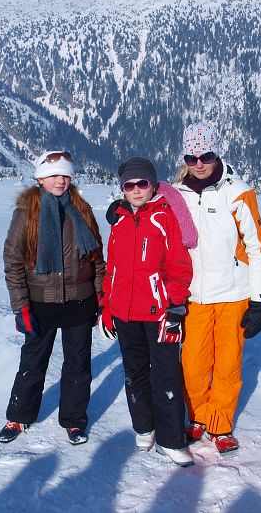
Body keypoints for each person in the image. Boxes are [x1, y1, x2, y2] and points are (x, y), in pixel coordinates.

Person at [0, 150, 105, 445]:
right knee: (32, 362)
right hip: (40, 302)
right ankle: (19, 416)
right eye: (53, 175)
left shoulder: (81, 210)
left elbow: (96, 257)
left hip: (80, 301)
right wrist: (21, 306)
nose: (60, 180)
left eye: (65, 175)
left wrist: (101, 295)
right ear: (40, 179)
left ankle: (74, 420)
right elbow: (13, 261)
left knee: (78, 365)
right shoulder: (26, 213)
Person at [175, 122, 261, 454]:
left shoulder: (238, 191)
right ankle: (197, 417)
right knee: (193, 364)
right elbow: (143, 201)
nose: (199, 164)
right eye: (191, 158)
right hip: (194, 296)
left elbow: (258, 247)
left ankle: (220, 424)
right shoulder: (178, 194)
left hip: (233, 294)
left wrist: (260, 301)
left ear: (216, 154)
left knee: (228, 364)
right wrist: (122, 209)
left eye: (206, 156)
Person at [98, 157, 195, 466]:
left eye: (142, 183)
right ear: (123, 189)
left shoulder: (164, 217)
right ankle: (144, 427)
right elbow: (112, 268)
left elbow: (179, 266)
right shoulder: (119, 221)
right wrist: (107, 307)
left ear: (153, 185)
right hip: (125, 313)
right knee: (134, 372)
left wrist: (175, 307)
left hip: (159, 313)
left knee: (166, 374)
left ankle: (171, 439)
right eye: (129, 185)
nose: (136, 190)